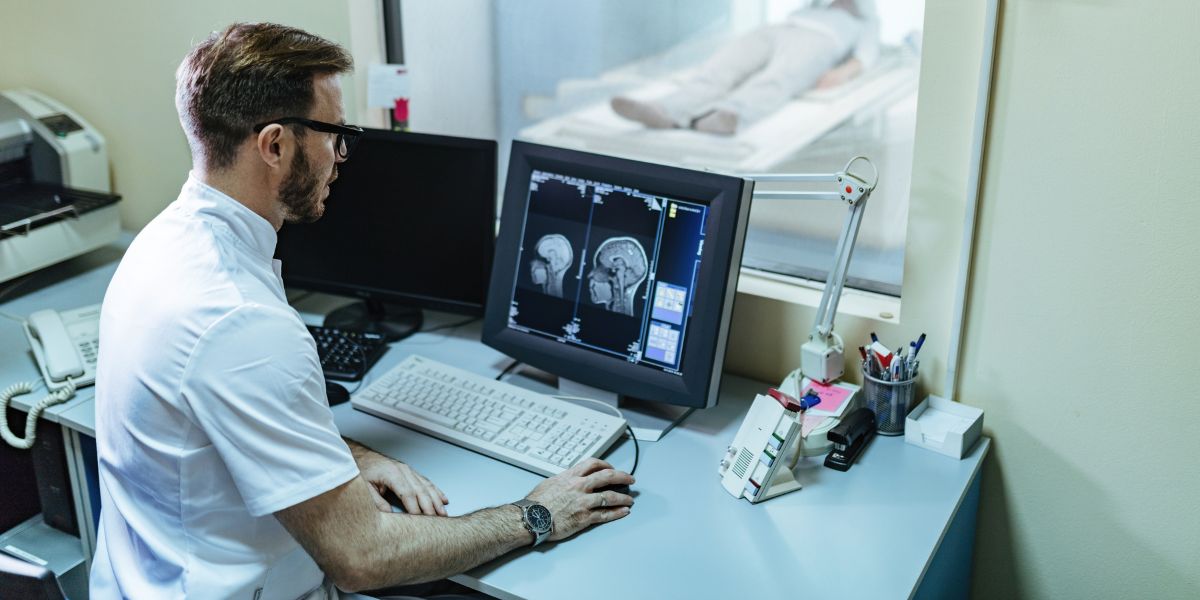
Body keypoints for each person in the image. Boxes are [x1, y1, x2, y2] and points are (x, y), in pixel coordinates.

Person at [90, 22, 634, 599]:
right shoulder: (239, 320)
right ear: (274, 145)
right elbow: (364, 557)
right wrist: (536, 516)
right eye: (334, 132)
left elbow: (222, 425)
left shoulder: (160, 245)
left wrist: (348, 457)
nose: (341, 155)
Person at [611, 0, 879, 135]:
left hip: (821, 41)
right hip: (781, 29)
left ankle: (728, 115)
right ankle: (663, 110)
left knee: (778, 78)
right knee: (722, 65)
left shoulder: (865, 20)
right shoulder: (813, 6)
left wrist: (842, 73)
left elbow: (865, 56)